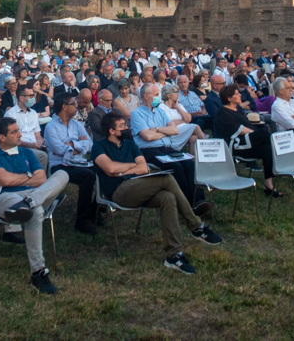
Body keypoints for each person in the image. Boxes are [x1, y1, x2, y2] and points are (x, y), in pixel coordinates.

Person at [93, 112, 222, 275]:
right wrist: (128, 167)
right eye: (122, 126)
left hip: (138, 186)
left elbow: (143, 168)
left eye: (126, 124)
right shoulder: (99, 146)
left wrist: (122, 170)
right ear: (111, 131)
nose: (126, 128)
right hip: (119, 192)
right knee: (166, 178)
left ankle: (174, 255)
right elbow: (110, 168)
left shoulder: (130, 144)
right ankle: (196, 225)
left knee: (168, 198)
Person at [0, 117, 69, 295]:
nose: (20, 135)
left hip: (32, 195)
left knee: (62, 174)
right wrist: (29, 176)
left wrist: (20, 181)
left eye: (19, 130)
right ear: (2, 137)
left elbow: (41, 178)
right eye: (14, 132)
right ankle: (38, 272)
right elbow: (4, 180)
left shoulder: (26, 153)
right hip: (6, 198)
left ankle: (29, 202)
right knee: (36, 212)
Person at [130, 83, 208, 216]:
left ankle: (199, 200)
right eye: (156, 95)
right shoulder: (137, 114)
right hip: (148, 150)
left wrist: (157, 129)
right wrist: (165, 132)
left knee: (189, 163)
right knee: (176, 166)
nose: (158, 97)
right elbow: (147, 136)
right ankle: (187, 205)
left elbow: (175, 130)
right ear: (146, 96)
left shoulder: (160, 111)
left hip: (166, 147)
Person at [212, 85, 281, 196]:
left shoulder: (237, 110)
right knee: (263, 133)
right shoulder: (223, 113)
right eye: (236, 94)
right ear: (229, 98)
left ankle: (268, 184)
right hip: (235, 145)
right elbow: (240, 130)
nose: (240, 95)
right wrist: (256, 134)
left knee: (267, 149)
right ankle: (280, 155)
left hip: (246, 143)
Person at [45, 92, 98, 234]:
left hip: (78, 161)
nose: (76, 107)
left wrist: (72, 145)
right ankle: (82, 221)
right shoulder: (51, 127)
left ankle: (96, 211)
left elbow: (89, 144)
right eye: (73, 104)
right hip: (60, 165)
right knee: (87, 176)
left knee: (102, 170)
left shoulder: (76, 124)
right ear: (64, 107)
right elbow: (59, 150)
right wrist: (79, 145)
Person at [3, 85, 49, 171]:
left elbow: (37, 136)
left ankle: (46, 177)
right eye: (30, 96)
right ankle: (39, 178)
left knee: (51, 151)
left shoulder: (33, 113)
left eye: (33, 95)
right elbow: (11, 140)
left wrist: (44, 144)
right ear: (21, 98)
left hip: (34, 145)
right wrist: (30, 145)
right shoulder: (11, 114)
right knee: (43, 156)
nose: (33, 98)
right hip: (20, 147)